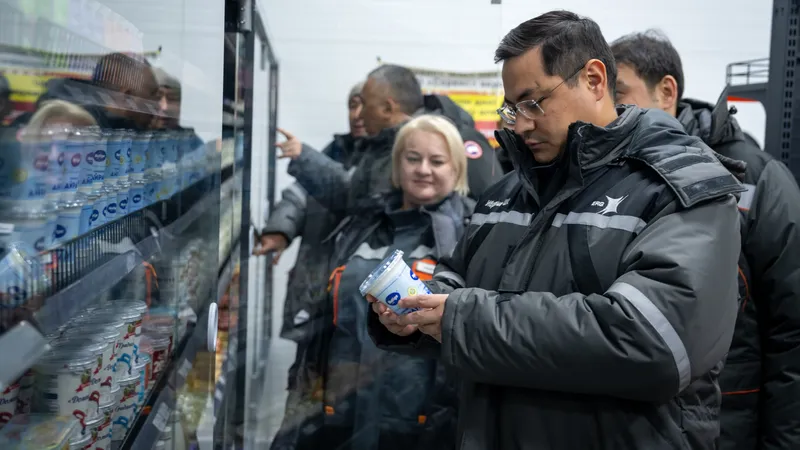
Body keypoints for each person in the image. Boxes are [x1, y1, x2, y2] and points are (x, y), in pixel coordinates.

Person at [367, 10, 744, 450]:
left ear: (594, 80)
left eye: (533, 102)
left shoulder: (683, 190)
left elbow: (653, 342)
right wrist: (417, 308)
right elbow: (460, 279)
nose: (520, 124)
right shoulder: (509, 192)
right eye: (512, 108)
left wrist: (461, 318)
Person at [611, 30, 800, 450]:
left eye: (619, 93)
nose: (609, 109)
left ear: (666, 91)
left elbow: (791, 335)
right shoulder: (608, 180)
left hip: (729, 427)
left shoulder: (756, 180)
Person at [274, 114, 472, 450]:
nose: (423, 169)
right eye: (413, 158)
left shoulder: (469, 233)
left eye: (437, 161)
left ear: (456, 169)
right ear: (397, 165)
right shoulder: (364, 223)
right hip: (339, 416)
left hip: (418, 428)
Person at [278, 64, 503, 214]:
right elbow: (355, 198)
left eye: (436, 161)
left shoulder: (457, 140)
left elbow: (494, 209)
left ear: (387, 108)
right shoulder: (381, 144)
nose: (359, 114)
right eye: (413, 159)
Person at [256, 81, 366, 342]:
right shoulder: (338, 148)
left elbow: (350, 192)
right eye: (352, 105)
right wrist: (280, 229)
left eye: (366, 106)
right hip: (317, 281)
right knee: (310, 355)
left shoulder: (388, 156)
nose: (358, 114)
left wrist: (304, 156)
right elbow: (300, 195)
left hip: (355, 287)